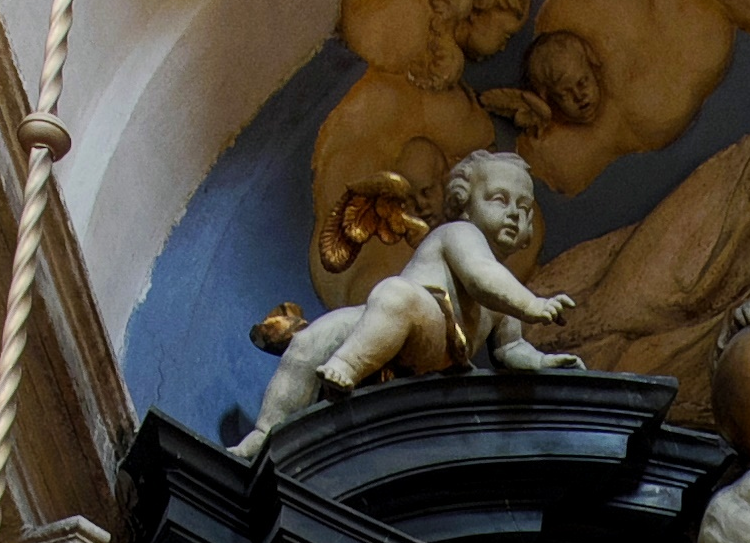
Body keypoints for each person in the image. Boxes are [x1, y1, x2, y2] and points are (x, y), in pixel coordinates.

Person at [248, 143, 582, 438]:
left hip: (430, 340)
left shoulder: (504, 290)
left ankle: (347, 364)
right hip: (405, 319)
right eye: (499, 199)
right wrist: (533, 305)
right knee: (309, 342)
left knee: (396, 296)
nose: (513, 213)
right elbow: (480, 277)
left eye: (524, 209)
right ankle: (265, 431)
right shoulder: (460, 233)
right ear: (463, 204)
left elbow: (510, 348)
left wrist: (542, 362)